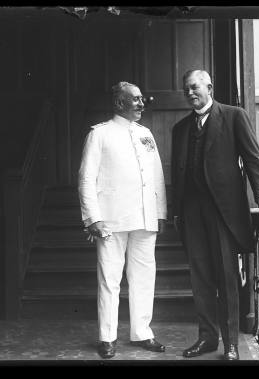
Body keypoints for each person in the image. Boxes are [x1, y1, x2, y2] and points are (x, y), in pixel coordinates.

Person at [171, 70, 259, 360]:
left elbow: (253, 157)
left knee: (227, 277)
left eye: (195, 87)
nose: (190, 93)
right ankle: (207, 338)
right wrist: (176, 211)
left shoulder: (234, 116)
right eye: (186, 90)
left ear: (209, 86)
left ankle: (231, 344)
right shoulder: (180, 129)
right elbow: (177, 175)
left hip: (223, 212)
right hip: (192, 212)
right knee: (200, 278)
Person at [78, 81, 168, 359]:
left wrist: (160, 212)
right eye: (136, 99)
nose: (142, 104)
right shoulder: (100, 134)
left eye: (142, 99)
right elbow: (85, 178)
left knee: (144, 277)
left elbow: (157, 176)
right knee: (110, 279)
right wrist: (93, 217)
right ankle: (107, 336)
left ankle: (142, 332)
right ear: (119, 103)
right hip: (111, 219)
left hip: (144, 217)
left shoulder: (146, 134)